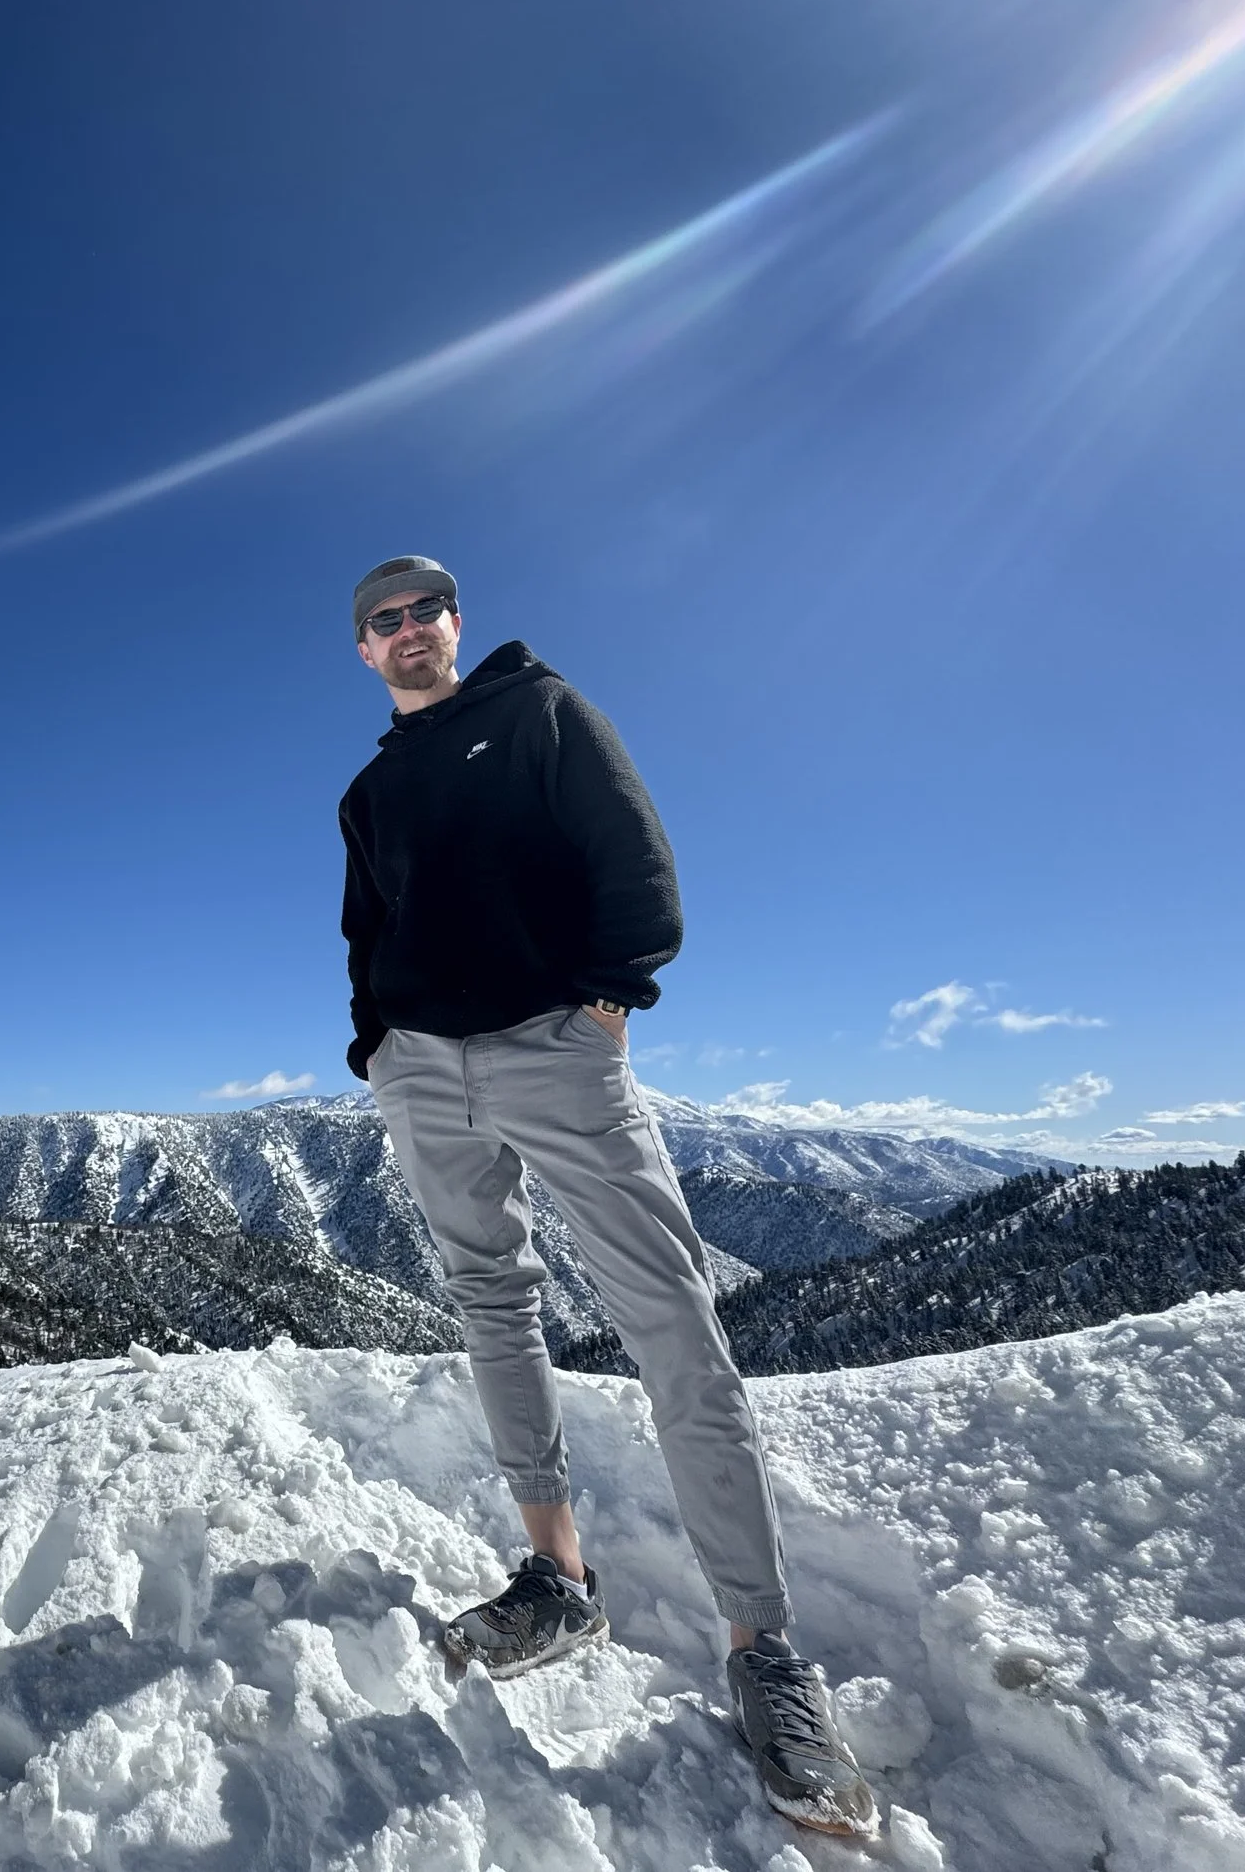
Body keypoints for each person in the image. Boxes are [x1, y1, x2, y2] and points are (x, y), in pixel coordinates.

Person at [337, 554, 877, 1837]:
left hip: (553, 1045)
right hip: (421, 1069)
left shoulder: (539, 712)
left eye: (424, 610)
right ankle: (558, 1577)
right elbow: (365, 926)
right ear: (362, 649)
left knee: (671, 1321)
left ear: (455, 622)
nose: (407, 630)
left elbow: (629, 850)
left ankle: (763, 1651)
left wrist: (611, 993)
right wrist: (376, 1044)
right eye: (382, 620)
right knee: (491, 1302)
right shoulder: (368, 790)